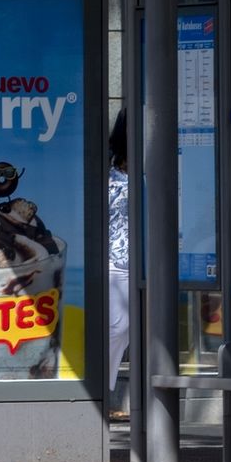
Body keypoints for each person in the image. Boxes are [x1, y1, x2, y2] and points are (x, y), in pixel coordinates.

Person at [107, 109, 130, 392]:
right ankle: (104, 389)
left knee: (126, 332)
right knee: (119, 328)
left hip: (147, 261)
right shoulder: (110, 172)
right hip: (117, 260)